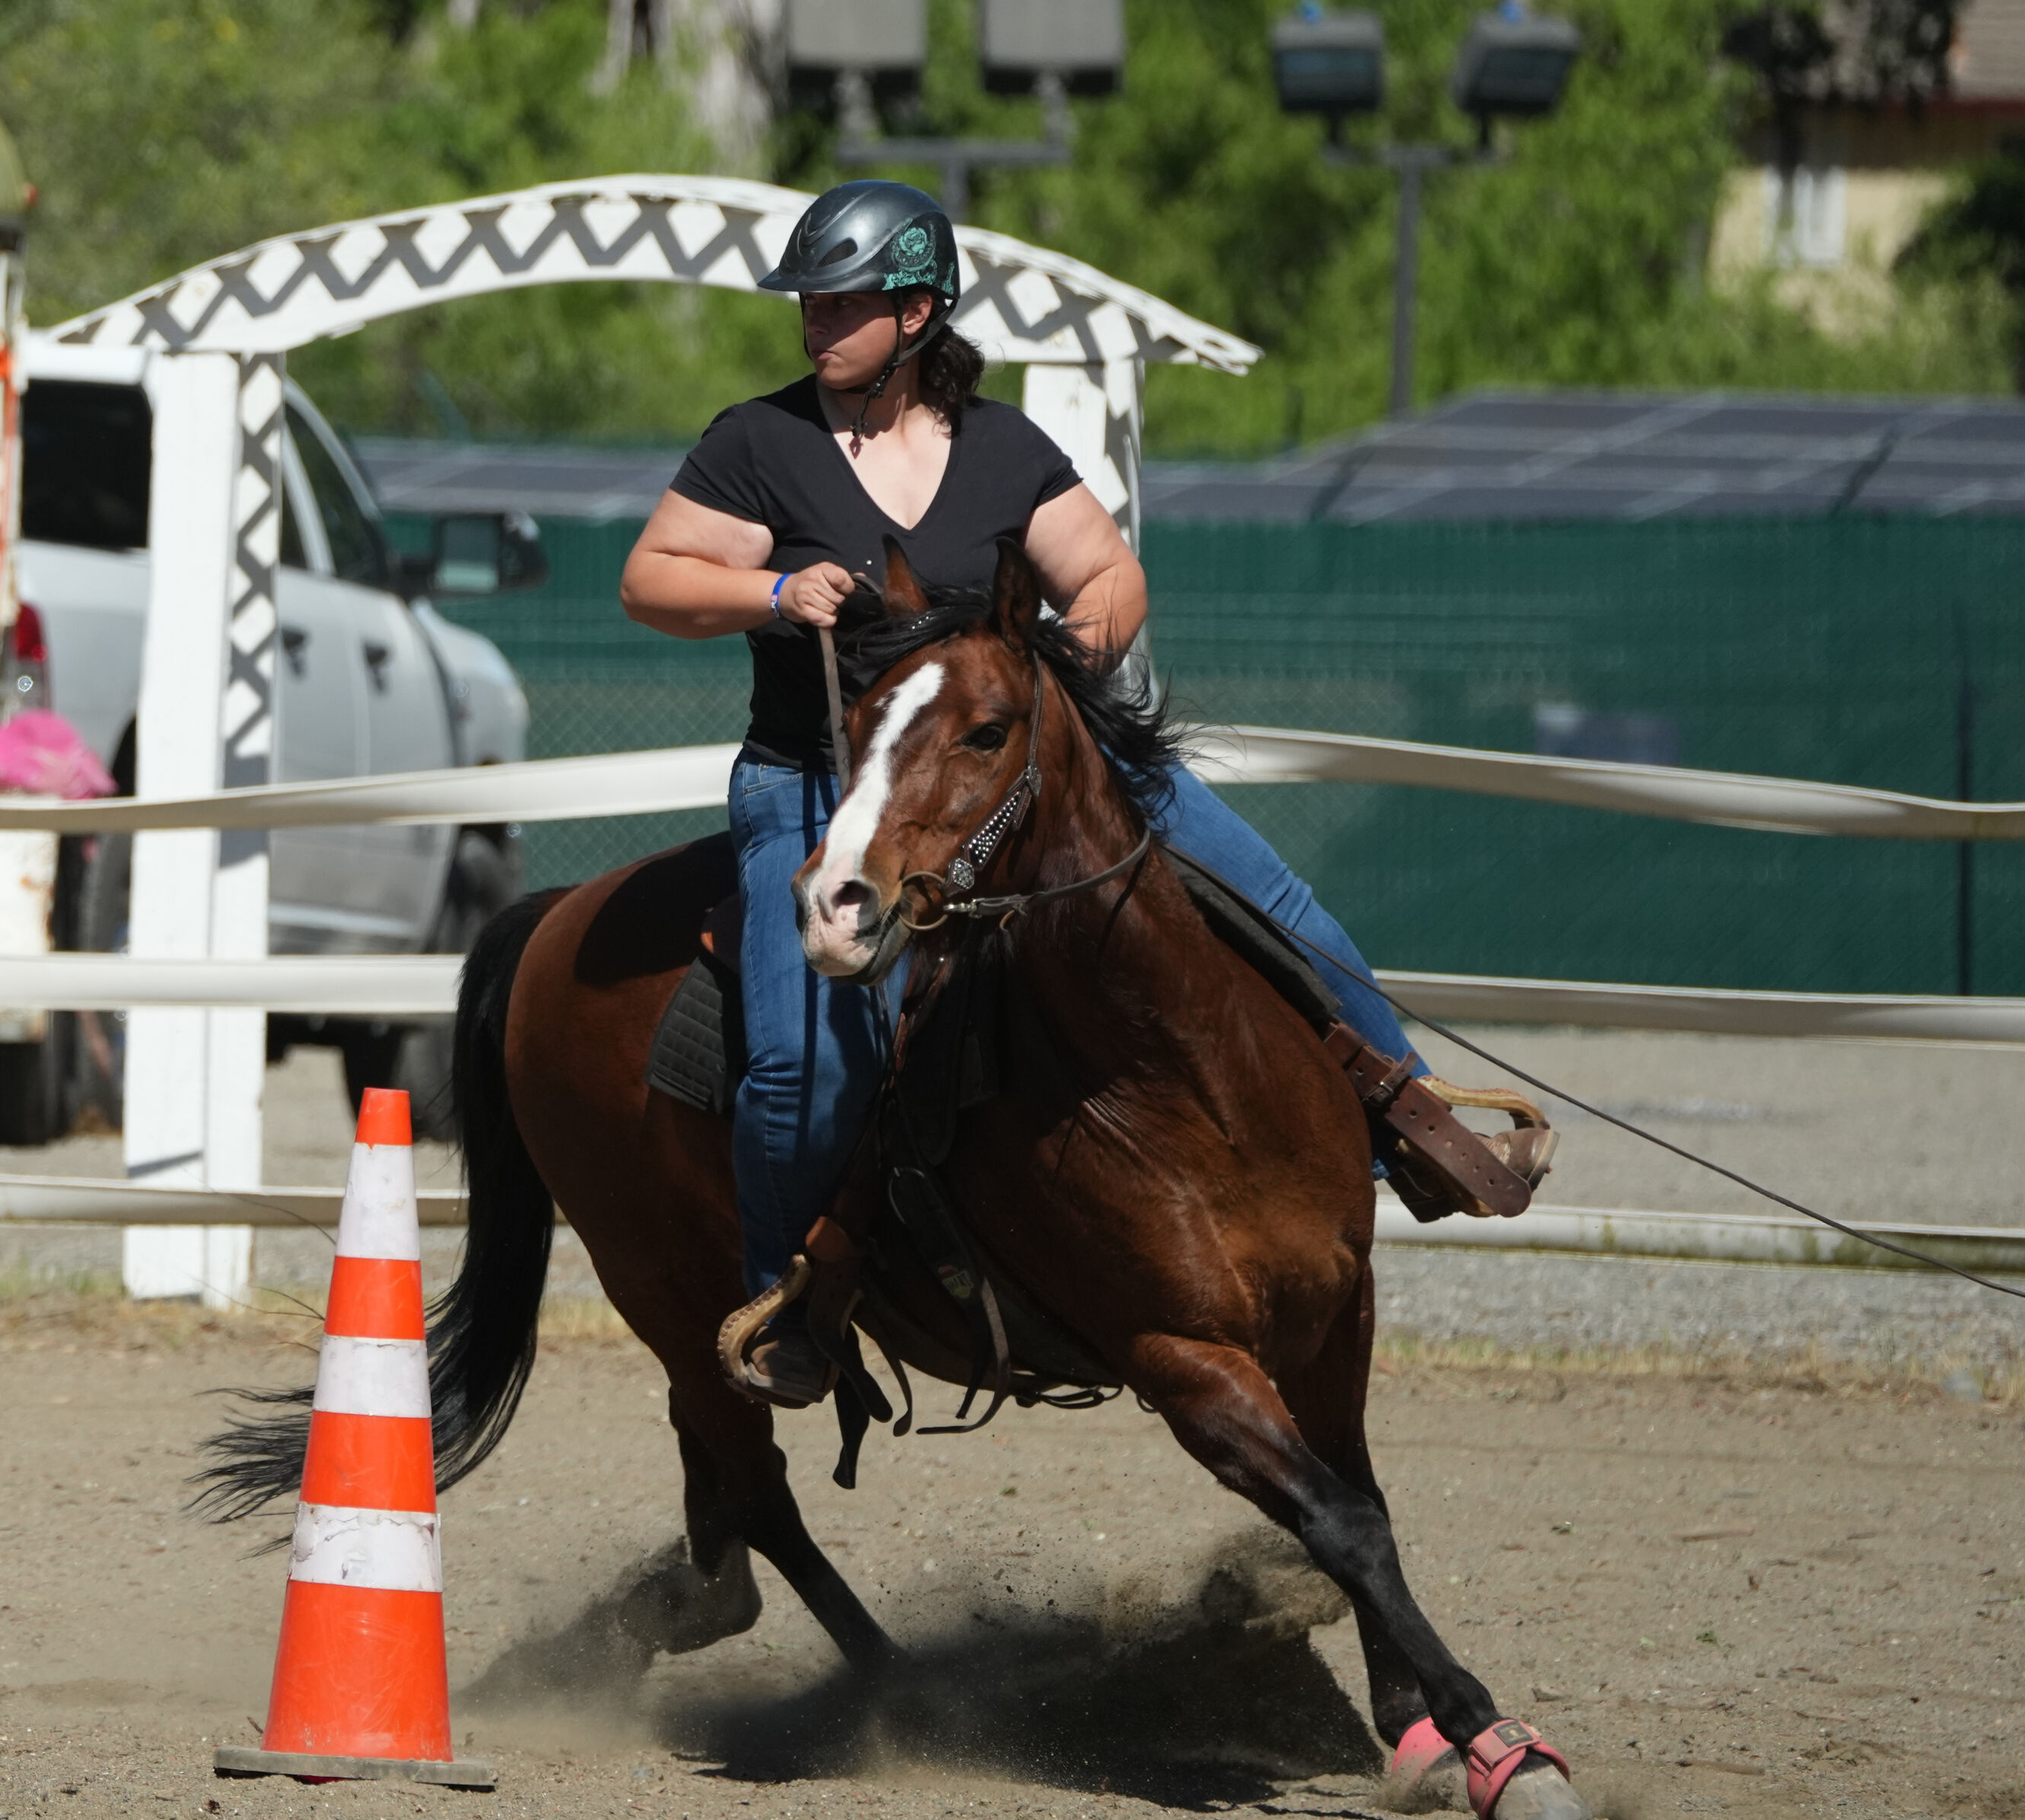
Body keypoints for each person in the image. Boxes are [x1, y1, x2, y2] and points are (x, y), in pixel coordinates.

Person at [618, 180, 1548, 1406]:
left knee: (1293, 921)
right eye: (808, 299)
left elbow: (1107, 573)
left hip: (1036, 769)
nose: (814, 321)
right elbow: (649, 579)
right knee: (806, 1064)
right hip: (825, 787)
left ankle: (1415, 1135)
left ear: (917, 310)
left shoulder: (1002, 448)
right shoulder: (759, 445)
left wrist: (1062, 679)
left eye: (841, 299)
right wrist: (773, 597)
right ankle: (791, 1302)